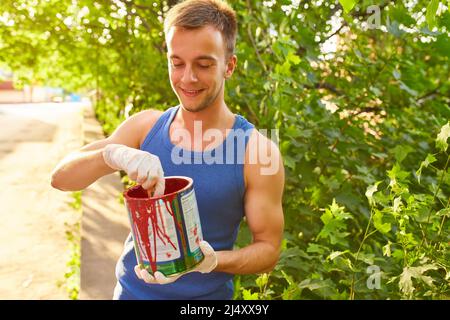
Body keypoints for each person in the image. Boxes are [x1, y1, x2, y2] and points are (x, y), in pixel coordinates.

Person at [51, 0, 284, 300]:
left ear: (229, 66)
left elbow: (268, 249)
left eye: (203, 64)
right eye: (177, 63)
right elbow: (61, 179)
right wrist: (112, 154)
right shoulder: (146, 127)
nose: (188, 78)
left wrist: (209, 262)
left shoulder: (256, 151)